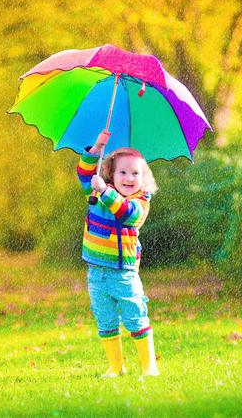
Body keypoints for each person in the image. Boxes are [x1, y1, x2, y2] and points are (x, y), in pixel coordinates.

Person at [76, 130, 160, 378]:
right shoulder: (98, 191)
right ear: (111, 172)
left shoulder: (140, 201)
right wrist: (96, 149)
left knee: (135, 317)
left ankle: (149, 365)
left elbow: (126, 214)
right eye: (123, 172)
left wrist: (105, 192)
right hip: (96, 272)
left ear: (143, 177)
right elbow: (84, 175)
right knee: (106, 321)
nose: (129, 178)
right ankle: (116, 366)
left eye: (136, 173)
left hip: (123, 274)